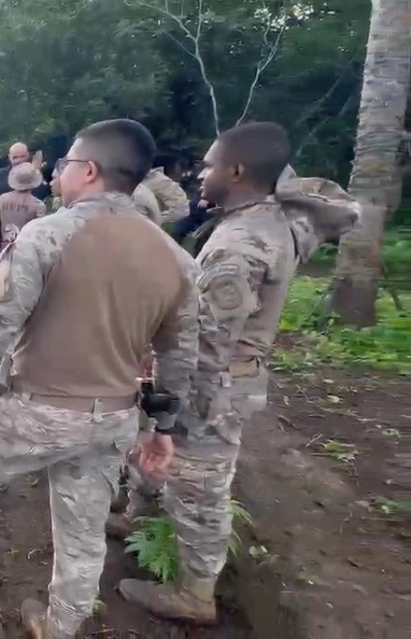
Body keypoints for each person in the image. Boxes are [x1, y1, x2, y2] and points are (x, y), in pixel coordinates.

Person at [0, 119, 199, 638]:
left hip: (38, 409)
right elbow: (179, 355)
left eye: (65, 164)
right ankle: (61, 627)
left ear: (89, 170)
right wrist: (162, 427)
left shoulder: (47, 235)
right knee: (84, 527)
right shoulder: (177, 260)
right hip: (114, 415)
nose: (58, 173)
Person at [115, 123, 360, 625]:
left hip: (212, 387)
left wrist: (166, 395)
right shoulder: (266, 221)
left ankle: (194, 592)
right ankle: (138, 518)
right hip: (228, 376)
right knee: (157, 453)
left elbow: (206, 343)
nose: (200, 175)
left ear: (237, 171)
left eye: (209, 165)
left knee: (198, 484)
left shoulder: (240, 246)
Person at [0, 162, 46, 289]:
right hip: (26, 254)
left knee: (1, 284)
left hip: (4, 250)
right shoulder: (38, 205)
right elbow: (40, 234)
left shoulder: (2, 200)